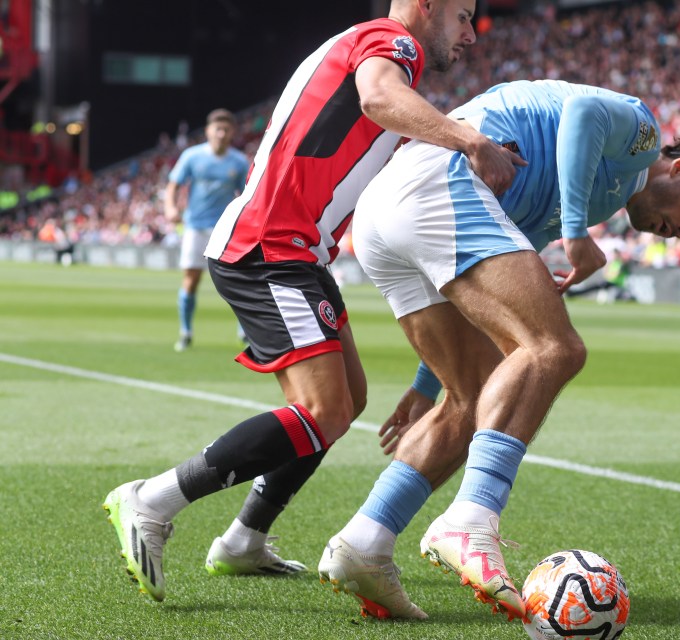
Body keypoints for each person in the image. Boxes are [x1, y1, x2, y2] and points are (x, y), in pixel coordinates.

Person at [103, 0, 523, 604]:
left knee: (347, 400)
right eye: (462, 17)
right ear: (425, 5)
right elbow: (378, 98)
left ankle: (245, 538)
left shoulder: (374, 50)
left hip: (298, 250)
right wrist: (470, 141)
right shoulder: (391, 44)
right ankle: (152, 499)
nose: (470, 35)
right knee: (324, 409)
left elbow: (369, 130)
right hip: (270, 244)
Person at [318, 79, 680, 620]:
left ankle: (364, 543)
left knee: (471, 399)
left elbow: (494, 283)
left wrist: (427, 386)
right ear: (678, 170)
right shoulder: (643, 135)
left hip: (390, 216)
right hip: (440, 182)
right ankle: (472, 517)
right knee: (555, 348)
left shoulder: (594, 193)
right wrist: (576, 232)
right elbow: (583, 112)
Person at [164, 108, 249, 352]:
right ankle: (185, 332)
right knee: (191, 280)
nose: (221, 133)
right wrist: (170, 207)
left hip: (225, 229)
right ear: (209, 131)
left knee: (238, 279)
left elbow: (246, 194)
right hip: (195, 226)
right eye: (217, 129)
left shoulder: (239, 161)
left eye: (226, 129)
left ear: (232, 132)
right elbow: (173, 184)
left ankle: (244, 332)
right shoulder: (192, 156)